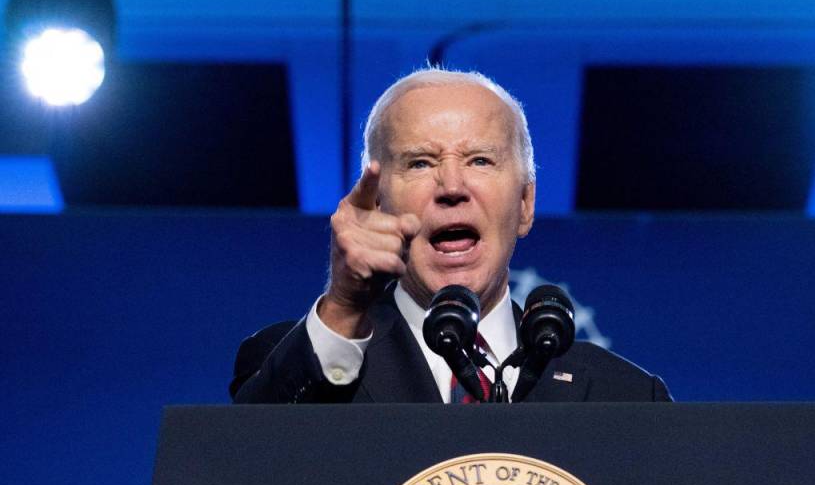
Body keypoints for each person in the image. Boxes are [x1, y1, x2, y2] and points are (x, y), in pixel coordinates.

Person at [230, 68, 671, 404]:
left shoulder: (626, 396)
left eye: (480, 160)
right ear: (378, 206)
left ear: (524, 204)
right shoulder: (291, 359)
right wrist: (345, 307)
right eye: (420, 163)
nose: (452, 188)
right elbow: (245, 478)